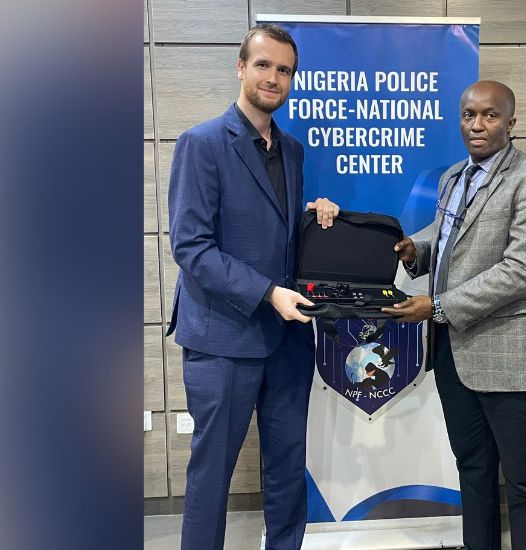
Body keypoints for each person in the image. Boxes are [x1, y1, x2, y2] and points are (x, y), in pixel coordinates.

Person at [165, 23, 339, 550]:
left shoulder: (292, 150)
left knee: (287, 472)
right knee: (211, 476)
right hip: (222, 339)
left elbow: (276, 235)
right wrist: (268, 293)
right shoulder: (201, 144)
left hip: (287, 342)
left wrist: (315, 218)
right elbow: (191, 247)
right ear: (241, 67)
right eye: (263, 65)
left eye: (284, 70)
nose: (273, 78)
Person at [384, 80, 526, 549]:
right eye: (469, 115)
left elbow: (522, 270)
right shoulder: (452, 178)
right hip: (452, 352)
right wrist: (416, 252)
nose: (477, 125)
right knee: (473, 469)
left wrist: (437, 307)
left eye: (489, 115)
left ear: (511, 123)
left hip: (510, 356)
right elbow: (450, 243)